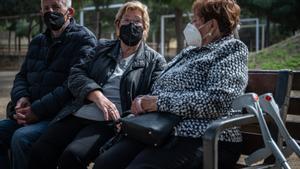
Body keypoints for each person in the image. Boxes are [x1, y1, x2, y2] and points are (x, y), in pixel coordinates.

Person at [93, 0, 248, 169]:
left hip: (203, 136)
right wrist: (142, 103)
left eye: (195, 20)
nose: (191, 25)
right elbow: (160, 87)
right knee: (105, 163)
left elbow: (218, 100)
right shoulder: (189, 52)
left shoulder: (232, 49)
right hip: (162, 129)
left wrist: (157, 103)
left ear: (211, 25)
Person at [28, 1, 166, 169]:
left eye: (137, 21)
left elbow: (153, 96)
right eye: (126, 20)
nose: (131, 25)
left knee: (72, 156)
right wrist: (97, 95)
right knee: (40, 150)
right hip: (77, 112)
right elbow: (76, 74)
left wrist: (130, 116)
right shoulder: (101, 47)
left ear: (145, 27)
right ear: (118, 24)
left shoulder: (155, 61)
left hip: (108, 122)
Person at [0, 0, 97, 169]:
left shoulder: (84, 40)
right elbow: (22, 76)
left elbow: (73, 85)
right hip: (30, 113)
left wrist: (37, 111)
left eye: (56, 7)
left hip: (60, 117)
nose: (50, 12)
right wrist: (21, 98)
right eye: (46, 8)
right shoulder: (38, 41)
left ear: (70, 11)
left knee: (21, 138)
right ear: (40, 13)